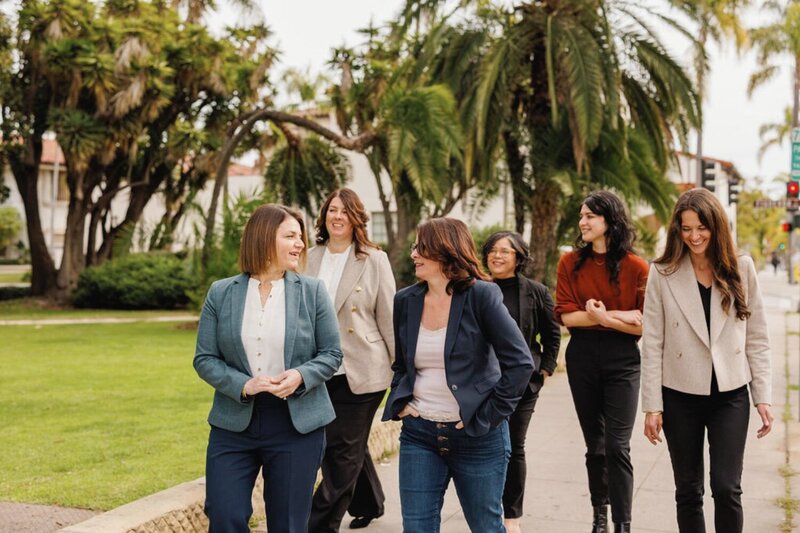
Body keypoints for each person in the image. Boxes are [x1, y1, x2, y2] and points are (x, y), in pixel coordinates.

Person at [193, 204, 343, 533]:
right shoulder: (221, 292)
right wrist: (243, 384)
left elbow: (332, 353)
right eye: (290, 236)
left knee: (288, 525)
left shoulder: (313, 292)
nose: (300, 244)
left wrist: (300, 376)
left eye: (300, 237)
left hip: (296, 425)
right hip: (234, 423)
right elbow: (205, 358)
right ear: (263, 238)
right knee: (224, 514)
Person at [382, 217, 534, 533]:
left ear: (446, 250)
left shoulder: (482, 296)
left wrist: (489, 415)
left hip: (477, 437)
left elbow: (520, 363)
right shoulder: (405, 300)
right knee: (416, 528)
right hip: (419, 434)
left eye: (421, 247)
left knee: (486, 527)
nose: (413, 254)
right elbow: (401, 365)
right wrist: (401, 402)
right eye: (414, 247)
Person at [641, 188, 773, 533]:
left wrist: (763, 397)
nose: (694, 236)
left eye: (702, 228)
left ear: (717, 227)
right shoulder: (662, 272)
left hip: (730, 395)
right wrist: (652, 406)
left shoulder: (741, 267)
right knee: (688, 491)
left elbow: (757, 337)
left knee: (727, 487)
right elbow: (652, 343)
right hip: (679, 394)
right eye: (686, 229)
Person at [554, 190, 648, 533]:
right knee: (595, 446)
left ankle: (623, 523)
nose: (582, 222)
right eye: (582, 216)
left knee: (617, 446)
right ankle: (599, 518)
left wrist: (604, 317)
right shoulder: (569, 263)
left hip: (623, 360)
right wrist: (620, 316)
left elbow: (645, 324)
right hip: (582, 357)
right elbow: (567, 318)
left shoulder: (637, 266)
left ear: (610, 220)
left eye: (590, 216)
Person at [307, 188, 396, 532]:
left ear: (357, 217)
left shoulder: (373, 259)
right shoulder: (308, 257)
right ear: (324, 215)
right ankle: (369, 502)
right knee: (342, 443)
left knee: (342, 450)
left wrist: (402, 370)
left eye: (345, 211)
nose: (338, 216)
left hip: (363, 368)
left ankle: (315, 524)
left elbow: (388, 315)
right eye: (332, 210)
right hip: (318, 369)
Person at [481, 231, 561, 533]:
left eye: (505, 251)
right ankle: (487, 504)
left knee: (514, 446)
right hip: (483, 383)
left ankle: (511, 515)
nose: (497, 255)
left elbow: (552, 334)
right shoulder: (476, 288)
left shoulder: (536, 292)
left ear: (518, 257)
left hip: (522, 384)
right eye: (493, 250)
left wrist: (545, 370)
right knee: (484, 447)